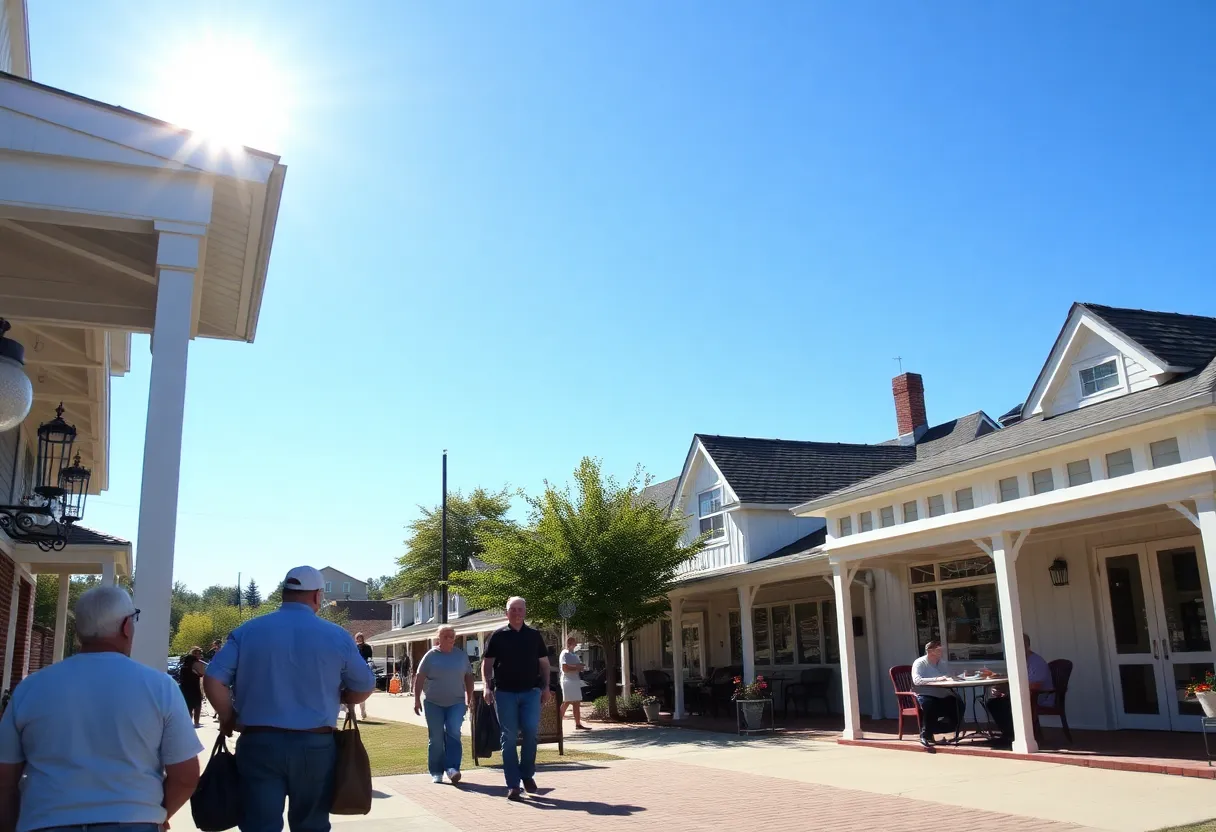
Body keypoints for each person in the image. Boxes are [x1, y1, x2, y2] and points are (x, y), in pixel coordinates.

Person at [0, 585, 202, 832]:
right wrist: (156, 816)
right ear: (126, 626)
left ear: (78, 631)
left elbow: (4, 777)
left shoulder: (30, 688)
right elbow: (186, 776)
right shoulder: (160, 687)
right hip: (133, 821)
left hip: (45, 821)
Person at [204, 566, 377, 832]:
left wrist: (228, 717)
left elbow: (213, 679)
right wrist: (346, 695)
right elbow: (365, 685)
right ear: (318, 596)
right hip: (315, 744)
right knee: (311, 825)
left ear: (284, 594)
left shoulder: (247, 631)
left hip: (259, 742)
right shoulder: (336, 635)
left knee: (259, 825)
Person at [482, 596, 552, 801]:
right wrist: (487, 686)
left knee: (531, 732)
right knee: (509, 737)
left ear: (525, 612)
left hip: (531, 692)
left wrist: (546, 687)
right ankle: (513, 784)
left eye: (520, 609)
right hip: (505, 693)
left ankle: (527, 775)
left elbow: (545, 665)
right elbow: (487, 664)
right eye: (513, 609)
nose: (517, 613)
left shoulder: (534, 635)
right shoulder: (497, 636)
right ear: (507, 613)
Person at [412, 625, 475, 784]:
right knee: (436, 737)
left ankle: (453, 768)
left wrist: (470, 697)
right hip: (434, 703)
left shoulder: (461, 656)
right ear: (438, 638)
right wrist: (416, 699)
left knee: (454, 731)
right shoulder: (431, 656)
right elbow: (419, 677)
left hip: (457, 702)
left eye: (451, 635)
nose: (449, 638)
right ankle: (436, 771)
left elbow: (468, 677)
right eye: (445, 635)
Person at [986, 633, 1054, 747]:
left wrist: (1009, 691)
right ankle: (1008, 734)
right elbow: (1015, 681)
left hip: (1040, 697)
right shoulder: (1019, 662)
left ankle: (1012, 736)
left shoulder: (1036, 662)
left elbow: (1035, 686)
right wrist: (1003, 689)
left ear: (1026, 645)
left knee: (1003, 704)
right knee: (994, 703)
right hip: (1024, 695)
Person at [911, 640, 964, 747]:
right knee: (930, 704)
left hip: (943, 693)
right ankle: (926, 735)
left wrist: (956, 677)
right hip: (926, 694)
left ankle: (940, 728)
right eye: (938, 650)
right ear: (930, 651)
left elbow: (947, 676)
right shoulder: (920, 663)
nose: (941, 652)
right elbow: (917, 680)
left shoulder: (942, 663)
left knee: (958, 703)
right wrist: (937, 679)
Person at [558, 636, 590, 730]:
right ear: (569, 643)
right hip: (567, 681)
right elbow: (565, 668)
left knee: (576, 702)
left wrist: (580, 666)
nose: (575, 645)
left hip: (575, 680)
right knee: (567, 701)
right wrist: (577, 667)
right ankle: (557, 723)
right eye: (574, 643)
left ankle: (578, 724)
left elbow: (578, 665)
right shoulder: (565, 654)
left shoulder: (574, 654)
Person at [179, 645, 207, 727]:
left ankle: (188, 723)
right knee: (196, 705)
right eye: (197, 654)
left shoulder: (184, 664)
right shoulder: (196, 664)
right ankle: (196, 722)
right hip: (193, 687)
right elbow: (202, 673)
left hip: (186, 688)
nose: (199, 655)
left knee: (189, 706)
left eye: (199, 654)